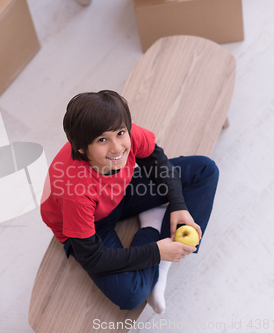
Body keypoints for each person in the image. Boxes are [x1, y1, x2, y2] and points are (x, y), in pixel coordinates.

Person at [40, 90, 219, 313]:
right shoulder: (74, 192)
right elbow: (92, 257)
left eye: (120, 133)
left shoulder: (127, 136)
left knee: (205, 169)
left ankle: (163, 265)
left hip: (121, 193)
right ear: (82, 149)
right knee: (132, 296)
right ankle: (153, 229)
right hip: (92, 226)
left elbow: (156, 160)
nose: (117, 147)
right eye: (102, 140)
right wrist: (154, 251)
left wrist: (178, 204)